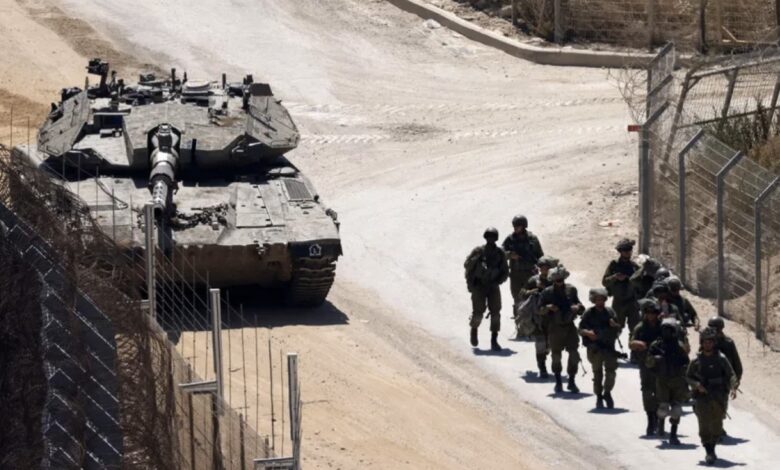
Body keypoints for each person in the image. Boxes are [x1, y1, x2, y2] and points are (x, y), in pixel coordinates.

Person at [687, 327, 739, 465]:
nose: (708, 344)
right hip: (702, 397)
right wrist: (697, 385)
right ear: (702, 343)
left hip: (718, 397)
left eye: (710, 342)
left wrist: (734, 387)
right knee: (704, 425)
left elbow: (731, 374)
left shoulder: (721, 359)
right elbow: (688, 377)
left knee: (716, 426)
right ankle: (709, 451)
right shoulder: (696, 360)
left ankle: (713, 447)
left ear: (714, 343)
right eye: (705, 342)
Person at [646, 318, 690, 445]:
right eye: (664, 330)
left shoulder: (679, 346)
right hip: (662, 380)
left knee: (676, 409)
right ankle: (660, 425)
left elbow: (686, 364)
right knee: (663, 408)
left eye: (669, 330)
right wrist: (656, 359)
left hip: (677, 381)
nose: (666, 332)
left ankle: (673, 434)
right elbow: (648, 363)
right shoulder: (656, 345)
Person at [540, 265, 584, 393]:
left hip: (570, 327)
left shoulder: (571, 290)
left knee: (574, 354)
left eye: (561, 280)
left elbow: (580, 307)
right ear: (553, 280)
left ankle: (571, 381)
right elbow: (539, 309)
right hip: (555, 328)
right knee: (556, 356)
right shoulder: (547, 292)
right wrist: (548, 307)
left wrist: (578, 307)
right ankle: (558, 382)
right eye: (557, 280)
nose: (559, 282)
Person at [464, 227, 509, 351]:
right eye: (488, 237)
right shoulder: (478, 251)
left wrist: (498, 281)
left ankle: (494, 339)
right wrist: (476, 259)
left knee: (496, 313)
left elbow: (505, 271)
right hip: (479, 286)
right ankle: (474, 329)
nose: (490, 239)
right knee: (478, 312)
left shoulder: (500, 253)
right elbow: (467, 265)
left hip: (493, 286)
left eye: (493, 237)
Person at [579, 288, 621, 409]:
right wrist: (588, 333)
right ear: (593, 300)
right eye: (597, 299)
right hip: (595, 348)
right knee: (597, 374)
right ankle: (598, 395)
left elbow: (618, 328)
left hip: (609, 347)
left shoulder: (610, 312)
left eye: (602, 299)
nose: (600, 302)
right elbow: (580, 329)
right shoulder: (589, 313)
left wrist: (615, 325)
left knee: (611, 372)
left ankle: (607, 392)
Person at [517, 256, 559, 378]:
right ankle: (542, 368)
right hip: (537, 318)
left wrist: (545, 289)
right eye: (542, 267)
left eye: (546, 267)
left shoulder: (555, 281)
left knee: (549, 344)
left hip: (552, 318)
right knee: (540, 343)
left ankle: (544, 356)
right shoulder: (533, 280)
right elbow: (522, 294)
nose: (543, 270)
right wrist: (534, 290)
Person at [630, 300, 663, 436]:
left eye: (653, 313)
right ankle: (650, 418)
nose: (651, 315)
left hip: (661, 365)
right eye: (648, 313)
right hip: (645, 364)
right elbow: (631, 343)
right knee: (647, 392)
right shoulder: (640, 328)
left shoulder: (663, 327)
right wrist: (637, 343)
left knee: (661, 392)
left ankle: (659, 419)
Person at [502, 215, 544, 307]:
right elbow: (501, 252)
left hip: (530, 273)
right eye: (514, 226)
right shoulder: (510, 239)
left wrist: (543, 271)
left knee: (532, 297)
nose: (515, 228)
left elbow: (540, 256)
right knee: (517, 298)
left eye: (518, 226)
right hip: (515, 274)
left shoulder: (532, 239)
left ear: (523, 226)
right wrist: (510, 254)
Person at [602, 238, 641, 333]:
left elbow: (641, 284)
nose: (628, 252)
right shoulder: (614, 265)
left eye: (629, 250)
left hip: (632, 302)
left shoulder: (634, 267)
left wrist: (630, 279)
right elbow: (604, 282)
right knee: (615, 330)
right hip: (618, 302)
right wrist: (615, 277)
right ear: (620, 251)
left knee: (636, 330)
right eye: (625, 250)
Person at [707, 317, 743, 383]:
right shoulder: (708, 342)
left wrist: (737, 379)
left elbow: (736, 362)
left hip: (725, 379)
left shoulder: (728, 343)